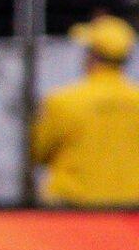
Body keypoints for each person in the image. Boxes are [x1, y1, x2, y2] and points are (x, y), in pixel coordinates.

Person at [31, 14, 139, 207]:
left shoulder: (62, 102)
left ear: (92, 55)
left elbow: (37, 153)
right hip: (131, 213)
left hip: (73, 211)